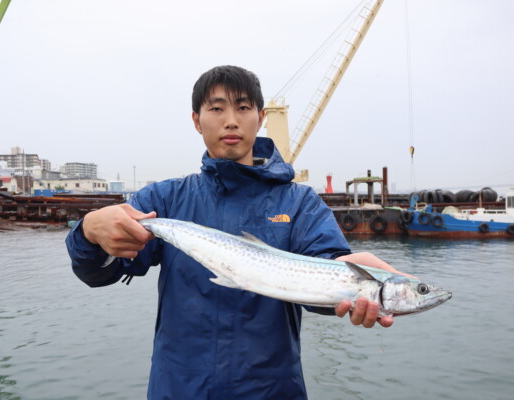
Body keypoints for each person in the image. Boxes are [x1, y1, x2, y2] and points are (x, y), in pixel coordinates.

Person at [66, 65, 404, 400]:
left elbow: (320, 282)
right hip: (179, 389)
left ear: (259, 117)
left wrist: (350, 283)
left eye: (243, 108)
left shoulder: (301, 203)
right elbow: (100, 273)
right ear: (197, 120)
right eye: (216, 108)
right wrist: (89, 232)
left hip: (272, 390)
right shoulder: (164, 200)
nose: (231, 120)